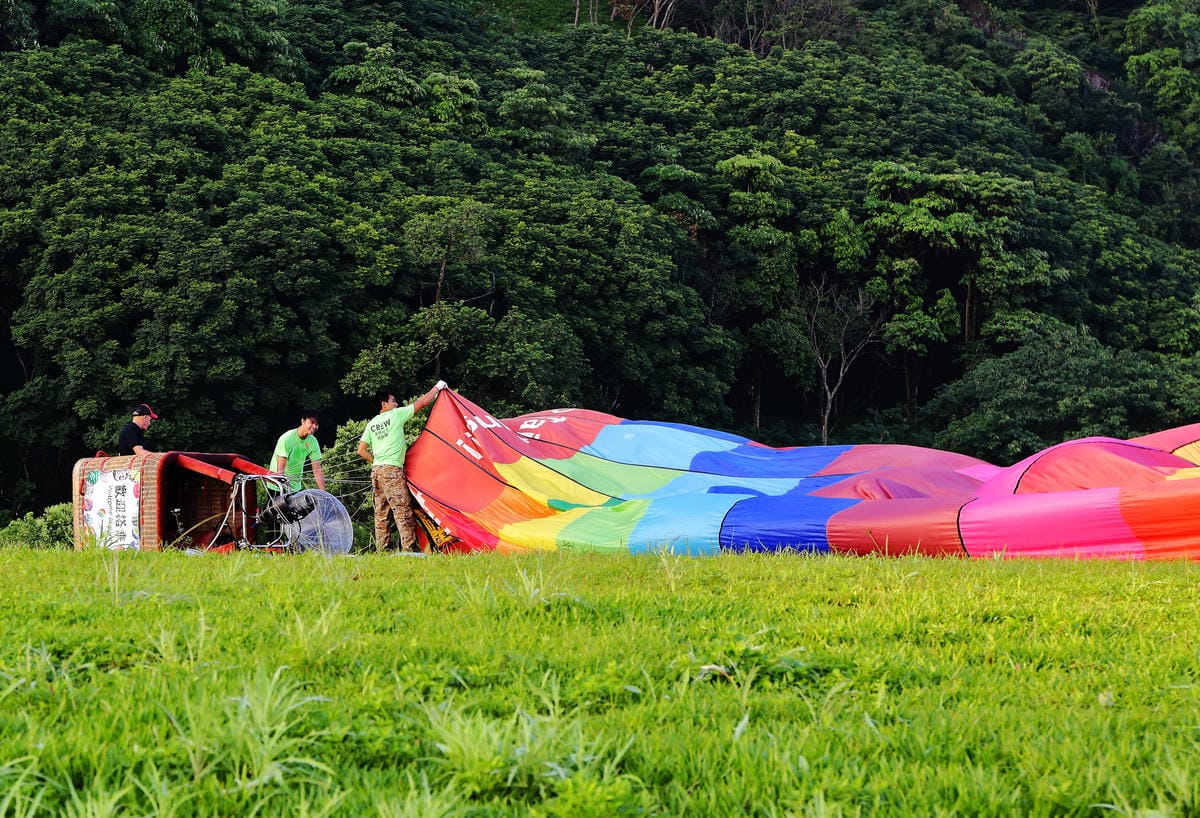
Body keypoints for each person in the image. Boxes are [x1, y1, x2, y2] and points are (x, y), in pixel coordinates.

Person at [357, 381, 446, 552]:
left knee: (381, 513)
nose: (396, 404)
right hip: (392, 470)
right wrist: (437, 387)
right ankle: (409, 550)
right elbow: (422, 402)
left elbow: (361, 450)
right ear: (384, 404)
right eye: (393, 401)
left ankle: (382, 550)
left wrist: (377, 461)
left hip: (376, 471)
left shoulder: (372, 424)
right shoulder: (396, 415)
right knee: (402, 510)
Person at [271, 410, 326, 492]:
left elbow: (317, 470)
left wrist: (324, 493)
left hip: (295, 487)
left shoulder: (313, 442)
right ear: (303, 421)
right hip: (277, 486)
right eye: (312, 422)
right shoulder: (287, 438)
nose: (314, 426)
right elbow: (280, 472)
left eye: (317, 424)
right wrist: (282, 488)